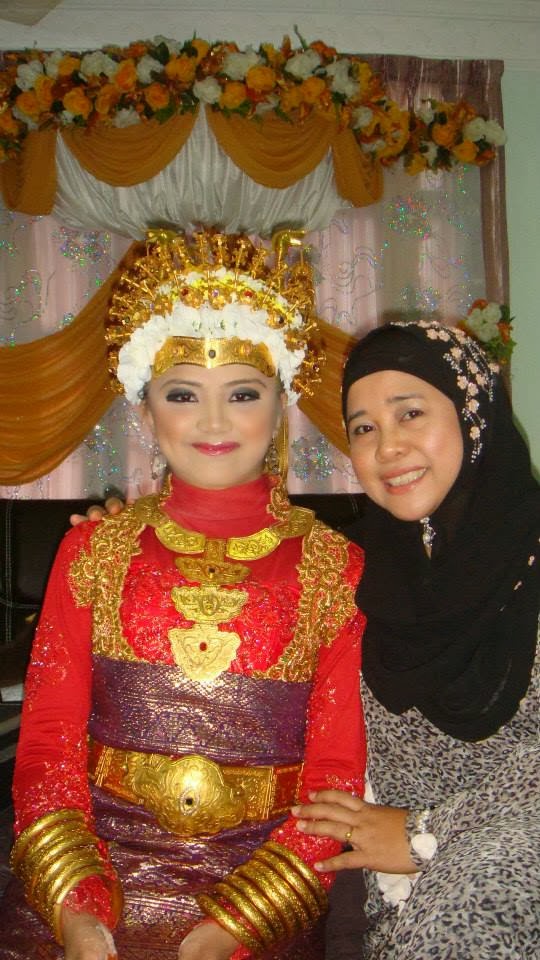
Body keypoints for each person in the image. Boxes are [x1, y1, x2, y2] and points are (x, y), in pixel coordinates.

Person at [0, 229, 367, 960]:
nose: (213, 422)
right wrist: (78, 912)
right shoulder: (94, 549)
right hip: (88, 880)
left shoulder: (337, 567)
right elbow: (46, 747)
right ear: (146, 412)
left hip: (263, 891)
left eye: (242, 393)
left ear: (281, 404)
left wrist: (234, 928)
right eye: (182, 394)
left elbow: (334, 781)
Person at [293, 318, 540, 959]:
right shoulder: (351, 571)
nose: (387, 447)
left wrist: (424, 833)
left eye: (410, 413)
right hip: (402, 902)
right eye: (363, 428)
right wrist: (127, 538)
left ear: (472, 414)